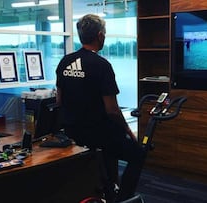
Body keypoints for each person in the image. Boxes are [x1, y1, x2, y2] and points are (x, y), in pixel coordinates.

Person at [55, 14, 144, 202]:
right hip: (99, 133)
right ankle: (123, 197)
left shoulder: (65, 61)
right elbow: (112, 110)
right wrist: (128, 130)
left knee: (110, 150)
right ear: (100, 35)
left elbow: (59, 100)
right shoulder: (102, 66)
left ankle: (108, 187)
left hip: (73, 132)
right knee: (138, 154)